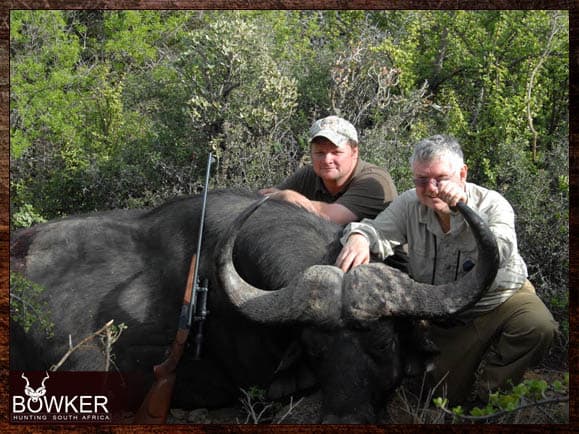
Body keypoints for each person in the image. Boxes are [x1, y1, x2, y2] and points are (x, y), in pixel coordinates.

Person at [336, 134, 558, 405]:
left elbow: (496, 254)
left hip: (498, 300)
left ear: (462, 173)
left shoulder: (492, 204)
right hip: (445, 313)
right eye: (421, 179)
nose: (430, 188)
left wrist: (460, 211)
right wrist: (360, 237)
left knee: (537, 325)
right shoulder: (409, 204)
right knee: (442, 399)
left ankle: (493, 400)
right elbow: (377, 229)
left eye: (440, 178)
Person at [259, 115, 397, 225]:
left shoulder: (374, 181)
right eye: (320, 153)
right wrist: (281, 196)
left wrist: (287, 198)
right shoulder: (308, 174)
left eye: (336, 152)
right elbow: (259, 200)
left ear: (354, 152)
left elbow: (330, 217)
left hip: (383, 259)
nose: (326, 160)